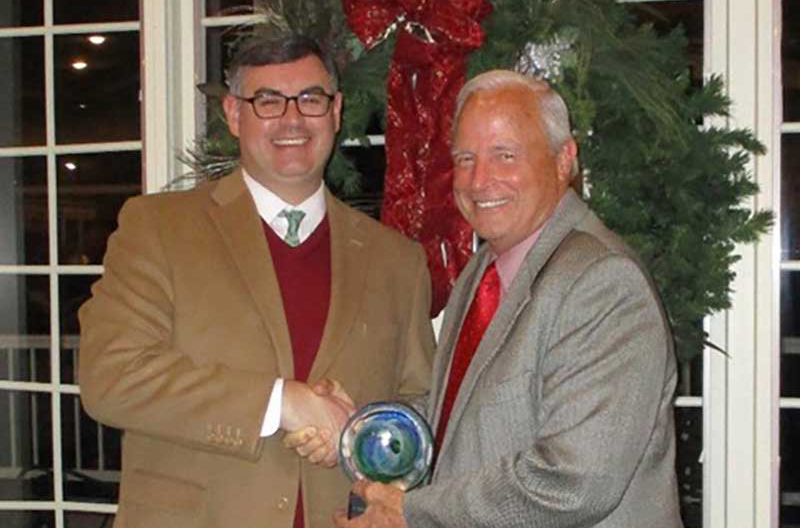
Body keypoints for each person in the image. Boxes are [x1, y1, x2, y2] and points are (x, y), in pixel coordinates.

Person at [78, 34, 435, 528]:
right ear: (233, 114)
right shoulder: (157, 228)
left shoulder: (398, 261)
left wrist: (359, 433)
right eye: (267, 101)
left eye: (310, 99)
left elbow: (419, 403)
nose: (292, 119)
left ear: (335, 112)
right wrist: (284, 403)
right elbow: (111, 378)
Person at [322, 70, 683, 527]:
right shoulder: (483, 270)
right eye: (466, 158)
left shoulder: (602, 282)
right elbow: (458, 418)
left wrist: (412, 513)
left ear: (563, 160)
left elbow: (574, 482)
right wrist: (359, 423)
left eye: (505, 155)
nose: (478, 181)